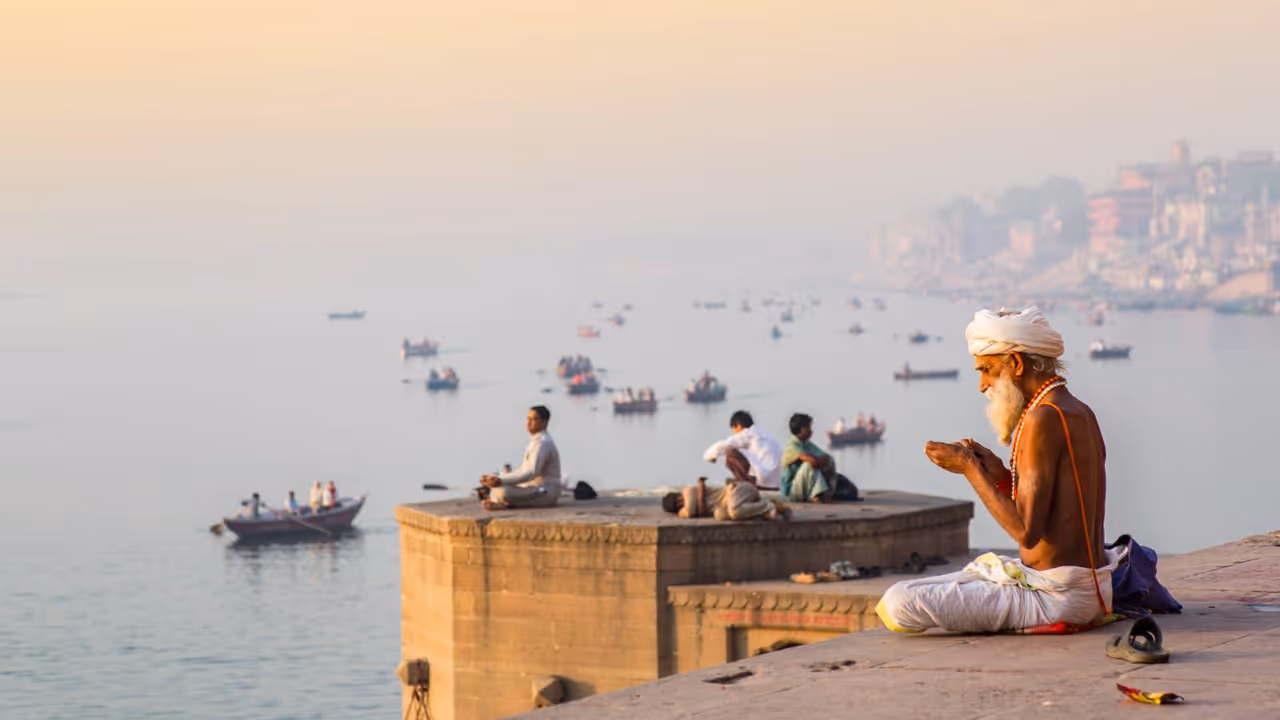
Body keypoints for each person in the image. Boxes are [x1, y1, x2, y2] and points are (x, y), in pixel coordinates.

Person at [877, 306, 1115, 634]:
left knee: (899, 601)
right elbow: (1055, 509)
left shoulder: (1041, 419)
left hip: (1058, 596)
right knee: (959, 578)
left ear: (1016, 364)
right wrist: (1001, 476)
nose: (982, 385)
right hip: (1093, 587)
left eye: (987, 370)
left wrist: (969, 468)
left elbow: (1027, 532)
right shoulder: (1079, 411)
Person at [479, 405, 562, 510]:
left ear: (544, 422)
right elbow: (522, 471)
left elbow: (531, 473)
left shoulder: (542, 443)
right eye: (528, 419)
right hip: (532, 489)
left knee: (503, 491)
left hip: (545, 492)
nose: (528, 423)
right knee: (495, 489)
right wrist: (497, 478)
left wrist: (501, 481)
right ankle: (502, 502)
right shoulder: (535, 441)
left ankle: (505, 504)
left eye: (534, 419)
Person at [702, 410, 782, 490]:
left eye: (734, 430)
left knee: (730, 453)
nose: (735, 434)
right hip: (777, 482)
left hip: (763, 481)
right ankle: (749, 482)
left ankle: (747, 486)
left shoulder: (747, 434)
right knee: (739, 451)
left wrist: (709, 456)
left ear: (739, 426)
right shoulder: (766, 434)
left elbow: (723, 445)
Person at [661, 476, 788, 522]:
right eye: (677, 505)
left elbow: (695, 509)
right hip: (734, 504)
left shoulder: (688, 491)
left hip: (739, 490)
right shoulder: (684, 509)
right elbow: (692, 511)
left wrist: (700, 495)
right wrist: (701, 489)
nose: (680, 503)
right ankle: (762, 513)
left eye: (678, 500)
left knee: (734, 511)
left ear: (678, 495)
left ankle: (769, 505)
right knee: (719, 515)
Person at [780, 413, 837, 503]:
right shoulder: (791, 446)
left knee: (830, 461)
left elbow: (826, 457)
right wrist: (817, 460)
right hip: (791, 493)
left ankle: (826, 492)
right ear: (800, 429)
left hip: (803, 488)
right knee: (809, 465)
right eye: (808, 427)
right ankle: (816, 495)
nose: (811, 431)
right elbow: (811, 461)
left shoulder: (807, 444)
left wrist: (819, 461)